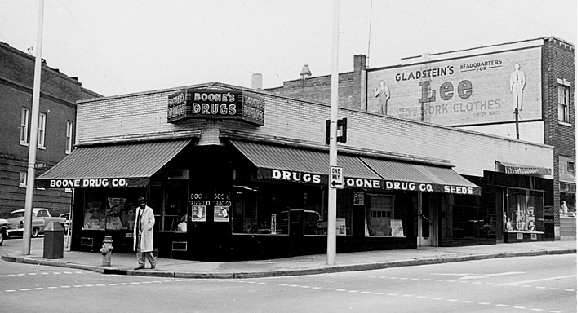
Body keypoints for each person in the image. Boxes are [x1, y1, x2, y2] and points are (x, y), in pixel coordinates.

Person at [133, 196, 156, 270]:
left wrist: (147, 229)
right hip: (138, 232)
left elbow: (152, 221)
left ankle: (153, 263)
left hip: (146, 233)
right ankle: (141, 264)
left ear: (145, 203)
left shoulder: (149, 210)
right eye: (140, 202)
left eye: (143, 202)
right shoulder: (137, 210)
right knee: (139, 250)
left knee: (147, 250)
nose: (142, 204)